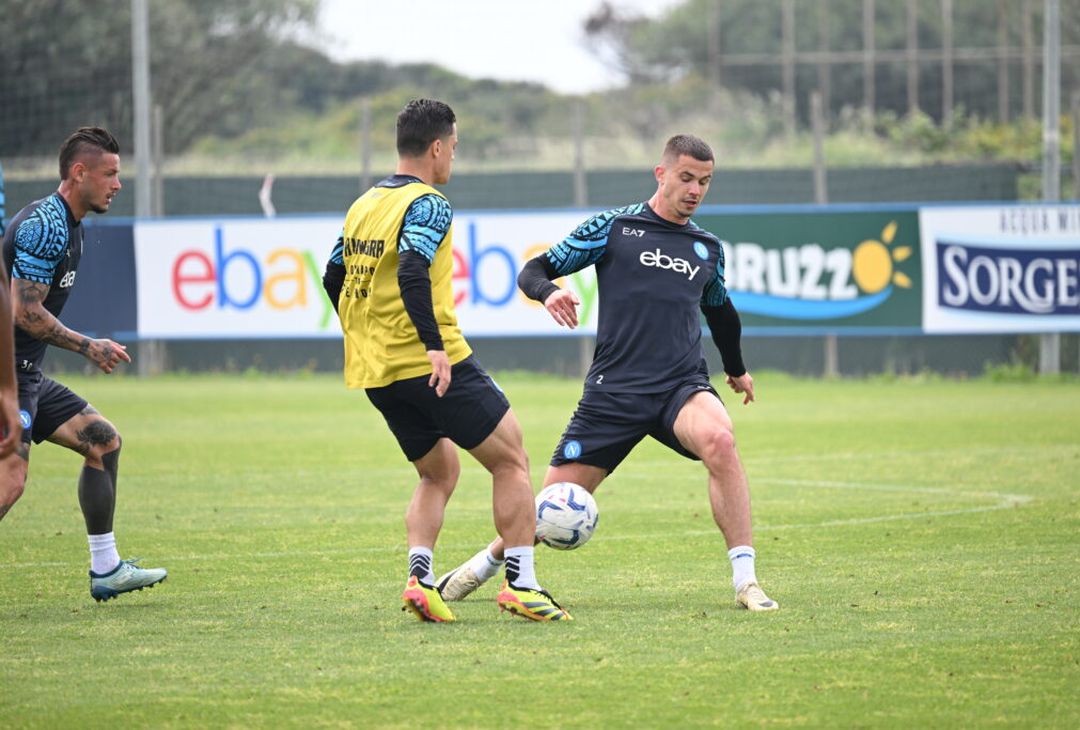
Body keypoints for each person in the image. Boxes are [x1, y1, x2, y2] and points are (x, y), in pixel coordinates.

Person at [438, 134, 779, 612]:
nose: (695, 190)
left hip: (680, 387)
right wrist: (549, 292)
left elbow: (721, 311)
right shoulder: (614, 227)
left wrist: (737, 370)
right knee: (551, 507)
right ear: (660, 174)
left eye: (704, 181)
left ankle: (746, 582)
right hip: (613, 394)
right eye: (686, 178)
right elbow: (534, 269)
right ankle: (483, 566)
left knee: (721, 441)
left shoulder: (706, 248)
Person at [321, 99, 570, 622]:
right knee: (511, 459)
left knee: (438, 472)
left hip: (377, 369)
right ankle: (522, 584)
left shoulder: (364, 203)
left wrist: (362, 333)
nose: (453, 156)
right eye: (454, 146)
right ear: (437, 147)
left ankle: (420, 579)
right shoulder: (429, 203)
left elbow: (333, 276)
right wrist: (433, 345)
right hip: (430, 360)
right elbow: (412, 269)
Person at [0, 127, 167, 602]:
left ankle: (106, 569)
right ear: (79, 173)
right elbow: (25, 312)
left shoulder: (69, 223)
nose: (118, 184)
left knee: (102, 440)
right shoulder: (45, 226)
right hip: (6, 372)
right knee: (10, 480)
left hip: (26, 371)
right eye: (109, 174)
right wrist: (88, 346)